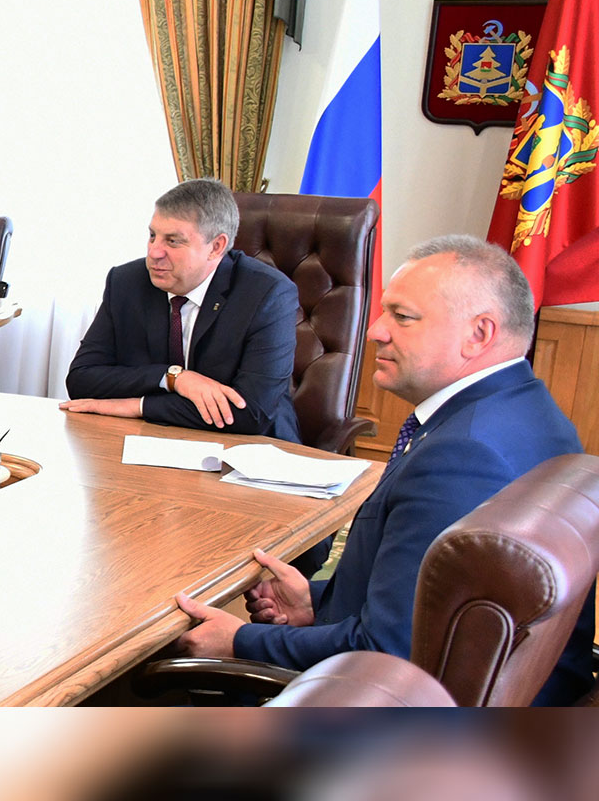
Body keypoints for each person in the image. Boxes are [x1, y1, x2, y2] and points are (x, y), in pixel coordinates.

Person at [173, 236, 594, 705]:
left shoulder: (462, 457)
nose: (376, 331)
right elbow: (436, 601)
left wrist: (238, 641)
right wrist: (320, 600)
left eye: (403, 316)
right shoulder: (533, 411)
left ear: (479, 334)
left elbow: (385, 653)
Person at [63, 178, 299, 441]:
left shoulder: (267, 294)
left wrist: (138, 406)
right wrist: (174, 378)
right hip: (148, 442)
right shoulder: (127, 282)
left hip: (249, 450)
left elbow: (251, 413)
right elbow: (81, 380)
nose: (154, 252)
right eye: (153, 236)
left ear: (216, 247)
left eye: (173, 241)